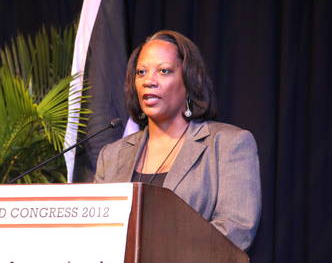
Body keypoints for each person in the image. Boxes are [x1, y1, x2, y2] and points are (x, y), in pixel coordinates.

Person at [94, 30, 261, 251]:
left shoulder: (228, 145)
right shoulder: (112, 155)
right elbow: (95, 230)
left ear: (189, 80)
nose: (149, 81)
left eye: (163, 71)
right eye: (141, 72)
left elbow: (235, 231)